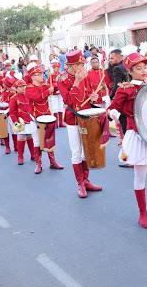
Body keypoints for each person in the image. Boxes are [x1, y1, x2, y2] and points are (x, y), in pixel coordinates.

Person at [108, 53, 147, 228]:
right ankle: (143, 213)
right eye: (138, 68)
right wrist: (113, 113)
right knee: (140, 176)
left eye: (145, 67)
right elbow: (113, 108)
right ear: (130, 71)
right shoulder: (125, 89)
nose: (143, 71)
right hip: (137, 135)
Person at [58, 50, 103, 198]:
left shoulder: (86, 75)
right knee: (76, 152)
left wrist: (93, 97)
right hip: (73, 118)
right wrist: (76, 82)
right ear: (71, 65)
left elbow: (89, 94)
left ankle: (86, 180)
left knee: (87, 151)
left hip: (86, 117)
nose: (83, 67)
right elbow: (69, 101)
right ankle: (80, 184)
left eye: (83, 64)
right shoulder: (62, 79)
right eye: (80, 64)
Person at [25, 65, 64, 173]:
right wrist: (48, 91)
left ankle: (53, 162)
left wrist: (59, 81)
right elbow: (37, 97)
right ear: (33, 76)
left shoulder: (45, 85)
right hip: (35, 118)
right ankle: (39, 164)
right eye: (39, 74)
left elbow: (56, 87)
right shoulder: (28, 88)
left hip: (47, 116)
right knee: (37, 142)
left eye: (42, 73)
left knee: (50, 140)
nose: (42, 75)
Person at [106, 49, 130, 148]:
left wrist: (111, 97)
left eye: (112, 58)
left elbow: (116, 86)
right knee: (127, 126)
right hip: (128, 100)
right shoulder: (125, 66)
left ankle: (129, 155)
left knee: (125, 127)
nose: (110, 60)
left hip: (121, 100)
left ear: (119, 57)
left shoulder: (117, 69)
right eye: (109, 58)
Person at [48, 59, 65, 127]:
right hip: (54, 94)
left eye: (57, 67)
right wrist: (53, 86)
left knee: (61, 107)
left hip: (60, 94)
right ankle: (55, 123)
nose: (56, 69)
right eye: (55, 67)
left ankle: (60, 123)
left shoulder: (61, 75)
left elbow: (64, 83)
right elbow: (48, 84)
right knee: (55, 108)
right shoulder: (51, 76)